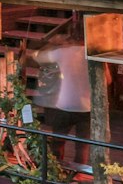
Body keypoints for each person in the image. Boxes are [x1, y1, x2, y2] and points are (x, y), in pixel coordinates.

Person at [30, 35, 92, 167]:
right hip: (87, 106)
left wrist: (52, 44)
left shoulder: (63, 52)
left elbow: (37, 56)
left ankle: (56, 169)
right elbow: (108, 80)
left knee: (58, 141)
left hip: (65, 104)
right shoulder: (92, 54)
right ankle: (78, 174)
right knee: (82, 145)